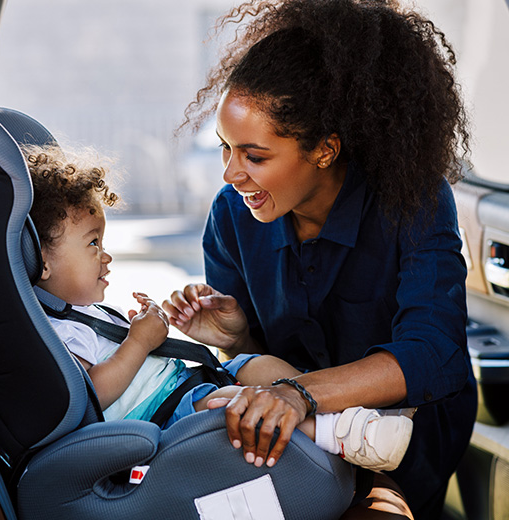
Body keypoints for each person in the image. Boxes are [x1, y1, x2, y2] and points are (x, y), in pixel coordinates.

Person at [162, 1, 477, 519]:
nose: (230, 175)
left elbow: (434, 353)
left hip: (401, 446)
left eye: (254, 156)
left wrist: (298, 393)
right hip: (295, 446)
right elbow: (260, 370)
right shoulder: (232, 217)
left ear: (325, 150)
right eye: (225, 148)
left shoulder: (412, 200)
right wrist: (237, 340)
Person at [25, 143, 413, 473]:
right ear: (40, 260)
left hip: (185, 386)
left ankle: (343, 414)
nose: (106, 256)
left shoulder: (85, 315)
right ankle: (341, 437)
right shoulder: (53, 332)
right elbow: (91, 394)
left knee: (256, 364)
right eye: (93, 244)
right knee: (231, 404)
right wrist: (138, 343)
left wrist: (141, 331)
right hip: (161, 416)